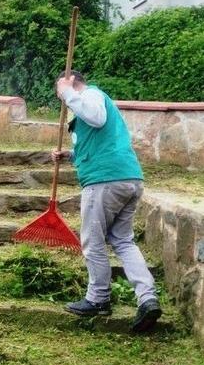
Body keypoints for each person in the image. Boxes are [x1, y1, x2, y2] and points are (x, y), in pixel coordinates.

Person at [52, 70, 162, 332]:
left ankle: (98, 298)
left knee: (92, 239)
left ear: (72, 83)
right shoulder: (91, 103)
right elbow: (95, 140)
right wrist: (69, 155)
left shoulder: (91, 95)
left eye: (61, 92)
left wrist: (67, 92)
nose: (62, 99)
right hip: (128, 178)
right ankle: (147, 297)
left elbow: (97, 118)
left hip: (105, 181)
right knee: (123, 241)